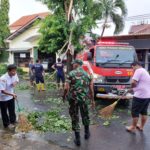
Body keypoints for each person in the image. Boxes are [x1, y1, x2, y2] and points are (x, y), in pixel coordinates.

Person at [63, 59, 95, 146]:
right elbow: (91, 89)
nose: (73, 65)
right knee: (85, 115)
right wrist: (92, 100)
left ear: (77, 64)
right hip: (84, 99)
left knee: (75, 117)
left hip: (73, 100)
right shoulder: (88, 74)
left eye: (74, 64)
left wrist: (64, 96)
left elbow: (66, 88)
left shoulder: (71, 74)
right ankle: (87, 134)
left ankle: (77, 140)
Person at [126, 61, 150, 133]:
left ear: (136, 65)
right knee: (144, 112)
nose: (132, 69)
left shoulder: (138, 70)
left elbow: (133, 82)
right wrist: (133, 89)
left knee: (135, 112)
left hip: (140, 96)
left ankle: (133, 127)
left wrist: (131, 88)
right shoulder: (145, 71)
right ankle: (141, 126)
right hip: (147, 95)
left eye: (132, 67)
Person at [0, 64, 18, 129]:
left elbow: (17, 80)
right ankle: (6, 124)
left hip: (11, 96)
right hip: (3, 98)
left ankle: (13, 121)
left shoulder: (14, 74)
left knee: (12, 110)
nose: (14, 72)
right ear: (8, 71)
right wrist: (12, 94)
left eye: (15, 71)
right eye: (13, 71)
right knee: (4, 111)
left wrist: (15, 83)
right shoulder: (3, 79)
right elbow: (2, 91)